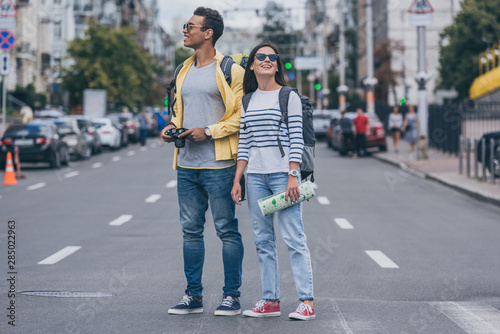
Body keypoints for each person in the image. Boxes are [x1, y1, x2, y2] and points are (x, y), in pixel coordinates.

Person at [160, 7, 244, 316]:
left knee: (226, 230)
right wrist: (172, 128)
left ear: (208, 33)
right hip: (186, 165)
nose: (185, 30)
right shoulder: (183, 69)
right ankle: (192, 296)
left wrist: (208, 131)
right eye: (185, 25)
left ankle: (231, 296)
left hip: (219, 166)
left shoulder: (230, 70)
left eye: (190, 26)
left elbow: (239, 117)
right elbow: (178, 111)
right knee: (191, 231)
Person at [231, 42, 316, 321]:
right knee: (263, 240)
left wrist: (293, 174)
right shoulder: (248, 100)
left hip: (283, 176)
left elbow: (296, 138)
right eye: (261, 57)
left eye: (272, 57)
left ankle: (306, 301)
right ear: (252, 65)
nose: (267, 60)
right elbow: (245, 142)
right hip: (255, 177)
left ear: (277, 65)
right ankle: (270, 301)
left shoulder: (288, 96)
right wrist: (237, 179)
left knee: (293, 236)